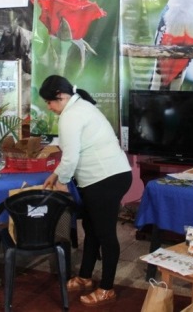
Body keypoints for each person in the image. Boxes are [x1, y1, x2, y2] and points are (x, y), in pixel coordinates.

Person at [40, 75, 132, 307]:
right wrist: (56, 174)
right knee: (91, 228)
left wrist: (62, 180)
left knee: (105, 234)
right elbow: (74, 152)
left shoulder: (71, 116)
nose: (49, 108)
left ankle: (107, 288)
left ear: (60, 97)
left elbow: (71, 156)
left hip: (106, 178)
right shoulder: (80, 106)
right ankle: (85, 276)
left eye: (49, 103)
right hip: (106, 177)